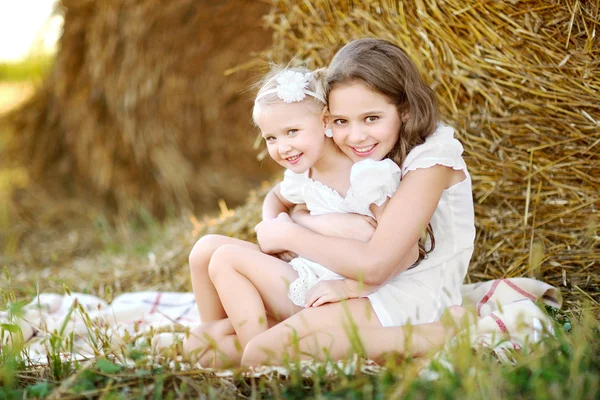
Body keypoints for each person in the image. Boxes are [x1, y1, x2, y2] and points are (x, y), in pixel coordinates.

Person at [240, 38, 476, 366]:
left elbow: (379, 263)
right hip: (370, 287)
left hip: (414, 295)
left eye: (371, 118)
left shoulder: (433, 160)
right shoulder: (370, 160)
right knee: (216, 344)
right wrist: (309, 222)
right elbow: (297, 200)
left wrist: (291, 236)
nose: (355, 137)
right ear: (326, 121)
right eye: (341, 122)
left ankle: (436, 334)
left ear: (405, 110)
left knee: (259, 353)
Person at [183, 66, 417, 367]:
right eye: (271, 138)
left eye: (292, 132)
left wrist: (352, 287)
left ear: (325, 122)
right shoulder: (304, 172)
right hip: (305, 269)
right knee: (205, 249)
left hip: (332, 290)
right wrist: (276, 225)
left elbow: (405, 249)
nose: (283, 147)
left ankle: (260, 354)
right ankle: (224, 331)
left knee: (226, 259)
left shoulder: (364, 173)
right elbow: (275, 197)